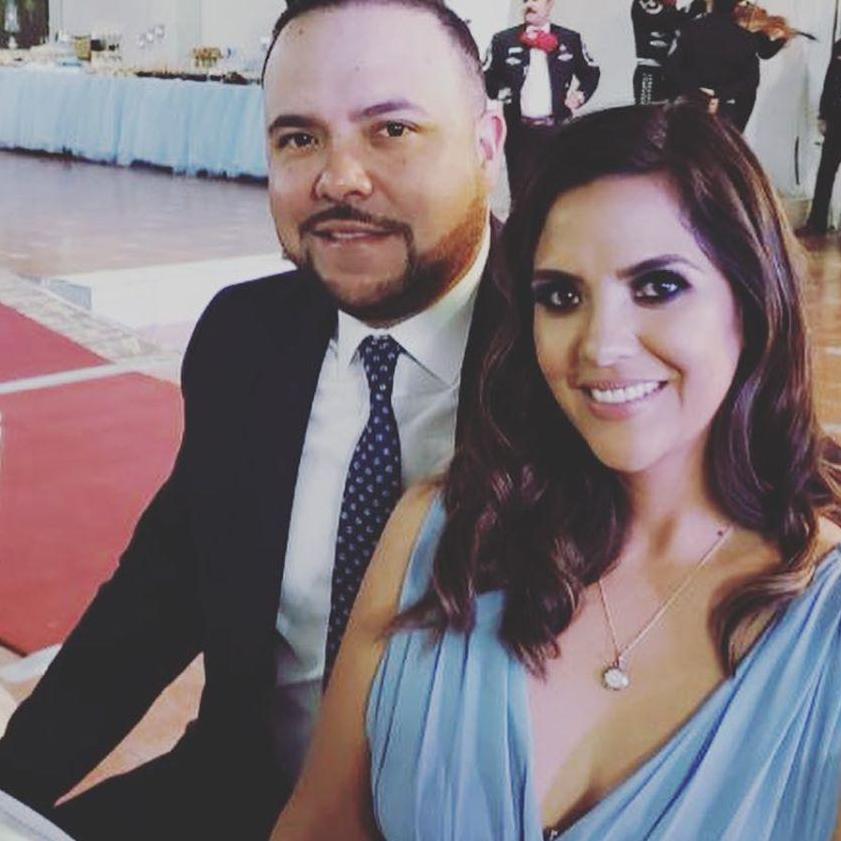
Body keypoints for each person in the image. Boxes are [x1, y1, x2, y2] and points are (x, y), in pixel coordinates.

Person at [0, 1, 506, 839]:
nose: (339, 178)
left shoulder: (574, 358)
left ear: (486, 143)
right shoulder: (245, 337)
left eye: (391, 130)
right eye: (299, 138)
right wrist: (12, 787)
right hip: (244, 791)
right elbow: (158, 595)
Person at [272, 101, 841, 840]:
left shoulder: (822, 623)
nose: (600, 345)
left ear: (752, 299)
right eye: (562, 296)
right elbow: (320, 822)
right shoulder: (440, 530)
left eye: (657, 286)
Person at [484, 0, 599, 197]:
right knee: (521, 194)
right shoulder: (503, 40)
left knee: (555, 191)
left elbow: (591, 73)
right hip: (520, 133)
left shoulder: (570, 39)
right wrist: (503, 92)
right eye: (525, 0)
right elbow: (486, 75)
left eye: (535, 0)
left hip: (556, 130)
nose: (529, 4)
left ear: (550, 4)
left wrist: (579, 96)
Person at [668, 0, 787, 131]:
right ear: (735, 8)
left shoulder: (690, 28)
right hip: (722, 113)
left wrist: (695, 90)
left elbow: (673, 68)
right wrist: (719, 94)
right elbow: (750, 82)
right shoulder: (747, 39)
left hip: (687, 106)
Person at [800, 39, 841, 236]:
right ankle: (817, 223)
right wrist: (823, 114)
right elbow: (831, 79)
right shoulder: (840, 45)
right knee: (825, 173)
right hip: (837, 118)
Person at [630, 0, 706, 104]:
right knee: (646, 110)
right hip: (650, 70)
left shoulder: (672, 11)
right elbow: (668, 20)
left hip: (674, 72)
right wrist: (699, 5)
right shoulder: (645, 3)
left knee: (677, 110)